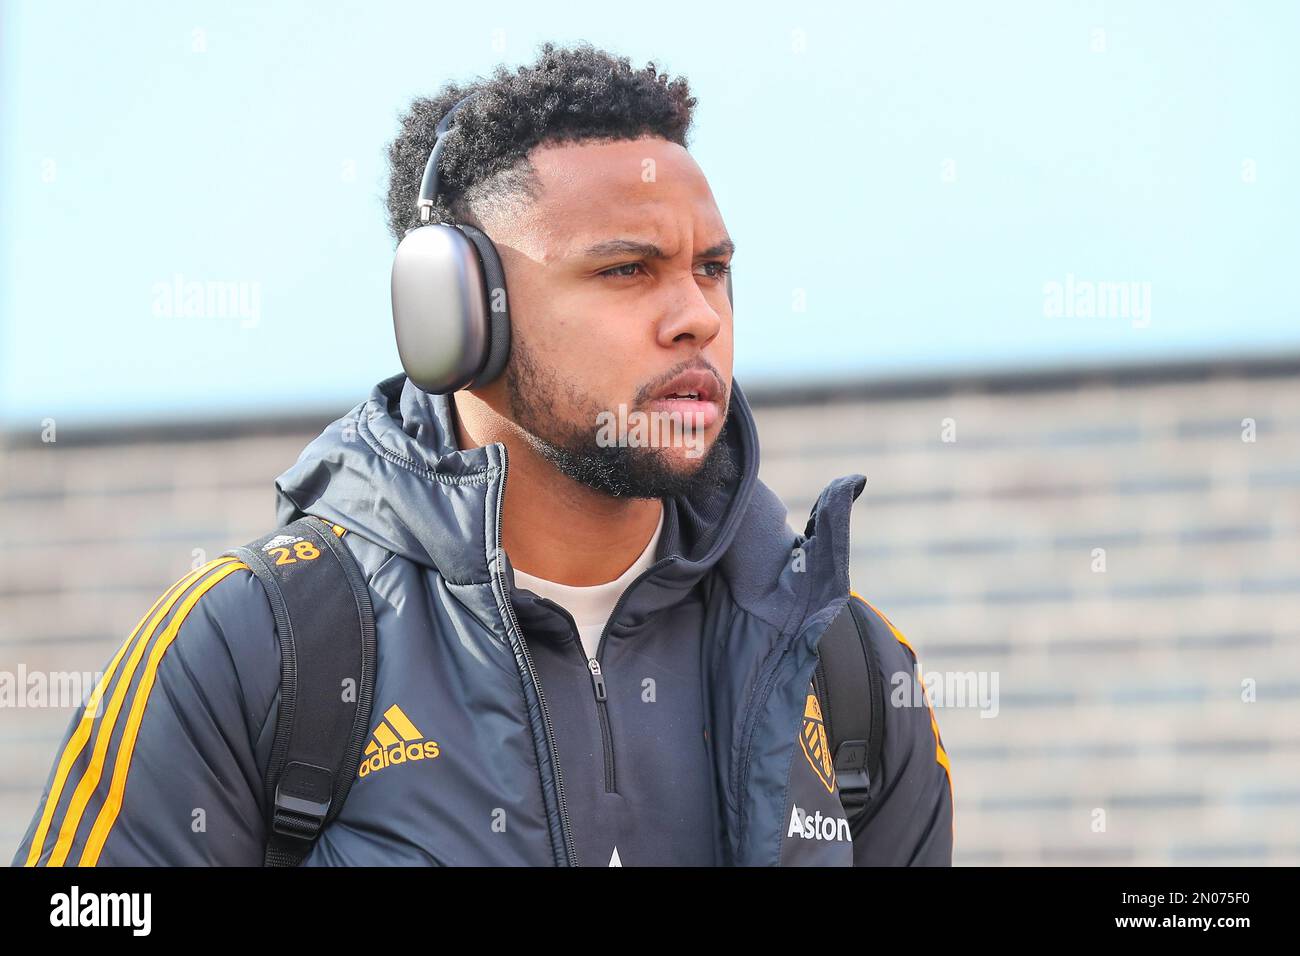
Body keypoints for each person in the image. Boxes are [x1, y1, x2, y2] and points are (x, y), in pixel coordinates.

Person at [13, 41, 952, 867]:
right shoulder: (250, 644)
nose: (698, 317)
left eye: (711, 268)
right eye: (626, 270)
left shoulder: (843, 660)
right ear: (453, 318)